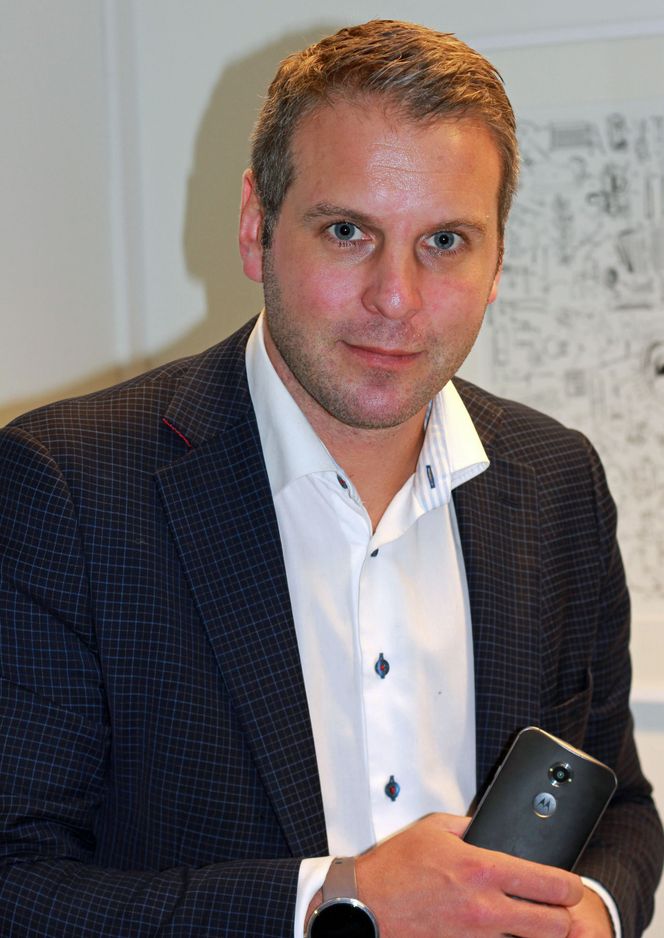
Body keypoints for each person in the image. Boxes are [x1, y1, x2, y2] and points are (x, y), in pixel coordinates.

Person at [0, 19, 661, 938]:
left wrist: (593, 911)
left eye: (446, 241)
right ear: (256, 227)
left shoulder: (558, 483)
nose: (396, 298)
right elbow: (17, 885)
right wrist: (336, 900)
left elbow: (619, 805)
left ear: (497, 262)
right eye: (348, 231)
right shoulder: (65, 488)